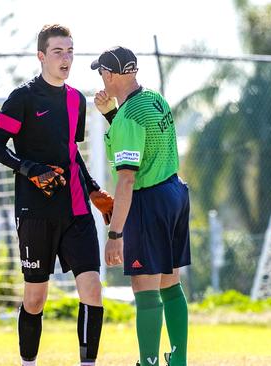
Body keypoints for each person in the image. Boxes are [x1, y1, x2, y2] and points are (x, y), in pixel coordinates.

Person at [0, 24, 114, 366]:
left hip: (75, 211)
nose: (66, 58)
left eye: (70, 51)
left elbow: (71, 152)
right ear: (41, 56)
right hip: (35, 212)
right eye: (58, 52)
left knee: (92, 290)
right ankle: (28, 363)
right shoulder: (22, 99)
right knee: (35, 299)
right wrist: (30, 169)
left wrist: (93, 191)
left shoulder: (76, 100)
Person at [91, 46, 191, 366]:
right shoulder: (154, 99)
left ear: (111, 75)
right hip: (175, 193)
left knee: (144, 285)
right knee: (169, 283)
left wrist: (115, 233)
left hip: (150, 202)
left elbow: (127, 181)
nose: (101, 79)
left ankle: (147, 362)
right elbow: (139, 140)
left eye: (102, 73)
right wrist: (110, 115)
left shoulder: (128, 118)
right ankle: (178, 360)